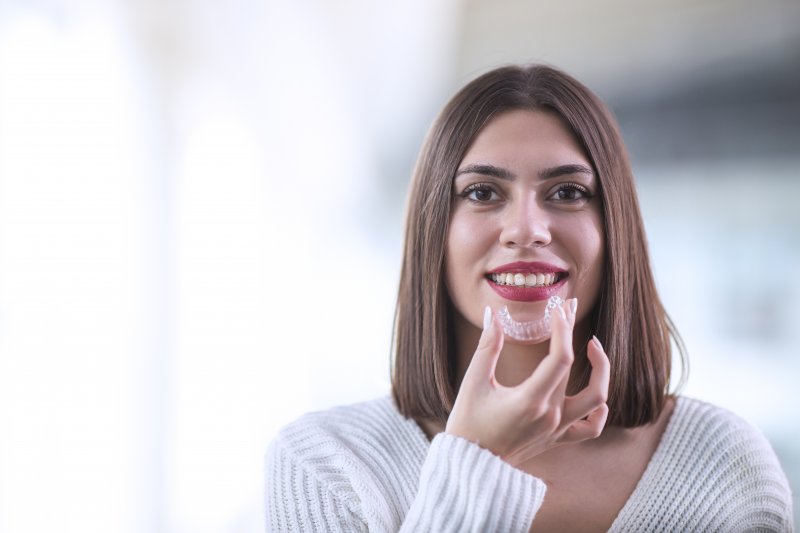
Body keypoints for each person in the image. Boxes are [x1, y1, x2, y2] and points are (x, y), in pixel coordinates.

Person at [265, 64, 794, 532]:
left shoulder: (726, 464)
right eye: (482, 193)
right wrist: (478, 460)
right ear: (434, 233)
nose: (525, 229)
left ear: (615, 231)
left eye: (567, 192)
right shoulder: (327, 464)